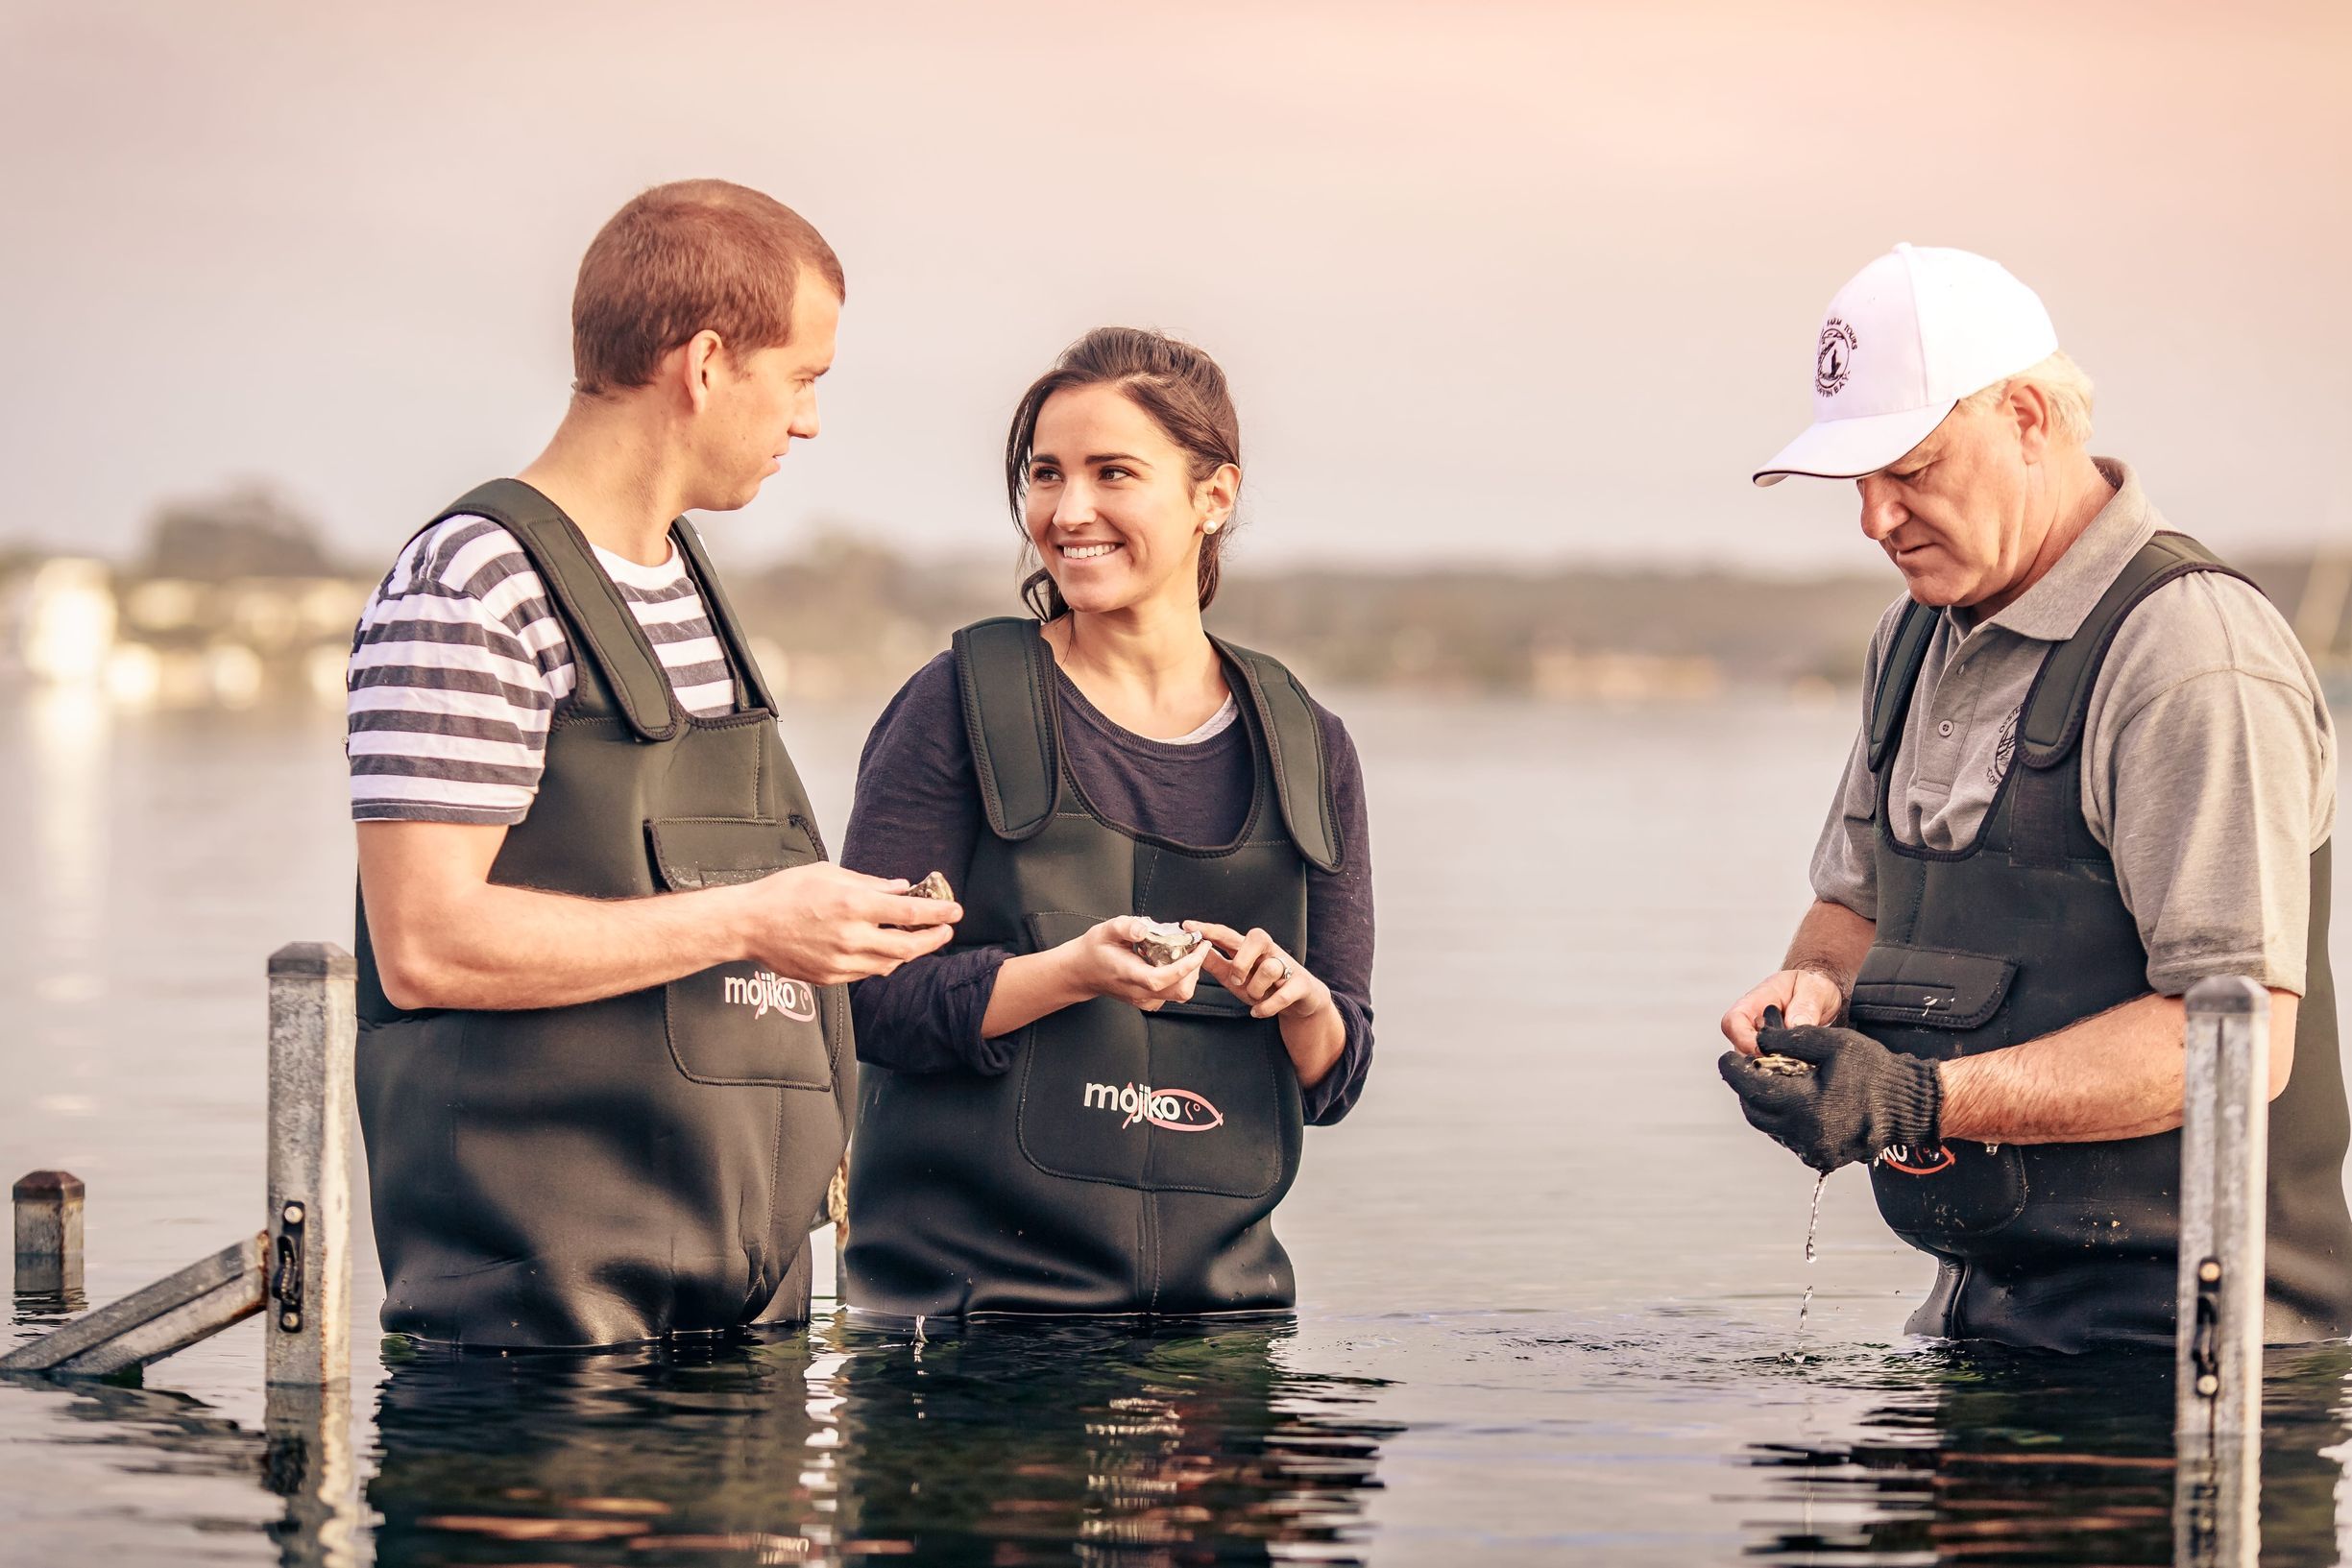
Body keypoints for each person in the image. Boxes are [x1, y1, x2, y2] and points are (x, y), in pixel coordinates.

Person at [346, 181, 959, 1348]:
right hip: (543, 1344)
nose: (812, 422)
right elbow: (423, 945)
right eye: (805, 378)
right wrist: (751, 919)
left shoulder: (689, 582)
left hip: (738, 1318)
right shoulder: (473, 586)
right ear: (709, 363)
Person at [1717, 243, 2352, 1352]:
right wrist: (1812, 989)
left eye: (1909, 467)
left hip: (2194, 1363)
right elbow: (1852, 908)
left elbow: (2235, 1040)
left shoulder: (2189, 652)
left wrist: (1913, 1103)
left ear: (2025, 416)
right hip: (1984, 1318)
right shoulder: (1911, 637)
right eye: (1854, 482)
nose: (1874, 519)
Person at [837, 327, 1375, 1318]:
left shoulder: (1308, 743)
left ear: (1214, 496)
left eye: (1112, 473)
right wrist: (1070, 973)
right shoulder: (956, 701)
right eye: (1046, 474)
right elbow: (869, 1002)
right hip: (970, 1329)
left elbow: (1333, 1077)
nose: (1068, 511)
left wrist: (1299, 1002)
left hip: (1222, 1331)